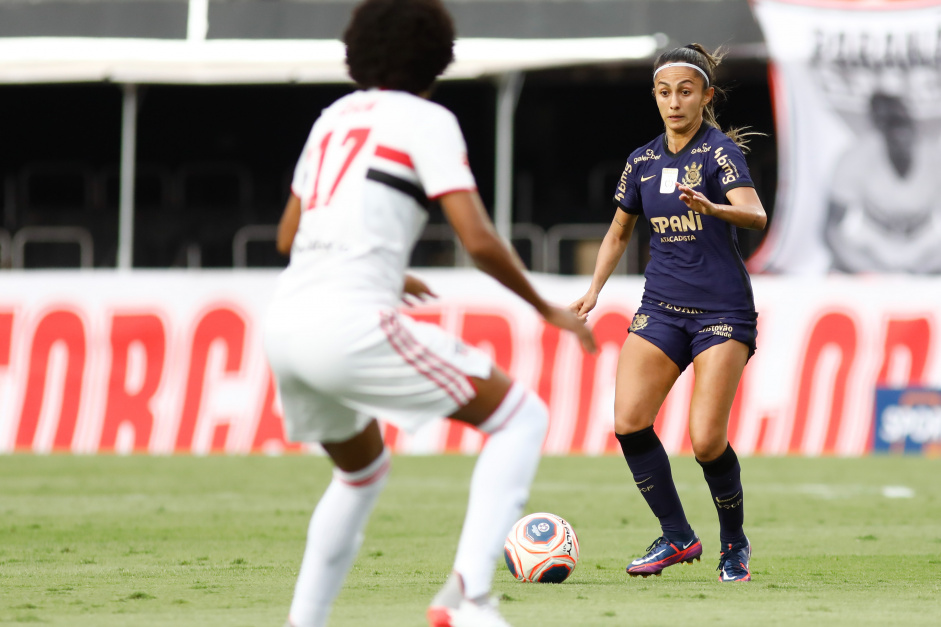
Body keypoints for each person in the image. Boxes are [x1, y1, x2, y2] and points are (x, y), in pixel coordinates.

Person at [263, 1, 596, 626]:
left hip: (285, 322)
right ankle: (467, 596)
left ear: (356, 50)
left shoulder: (334, 118)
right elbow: (479, 240)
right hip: (347, 323)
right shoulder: (427, 119)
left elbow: (288, 235)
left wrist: (384, 265)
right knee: (522, 417)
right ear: (438, 55)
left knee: (361, 474)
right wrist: (547, 306)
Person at [570, 44, 767, 583]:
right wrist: (592, 292)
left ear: (705, 95)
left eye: (686, 91)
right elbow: (618, 231)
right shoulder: (642, 160)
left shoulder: (720, 153)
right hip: (660, 307)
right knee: (629, 421)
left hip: (722, 312)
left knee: (706, 440)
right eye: (664, 92)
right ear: (655, 97)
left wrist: (713, 207)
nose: (675, 102)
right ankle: (678, 536)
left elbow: (754, 214)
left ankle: (735, 545)